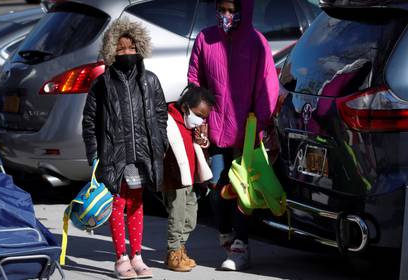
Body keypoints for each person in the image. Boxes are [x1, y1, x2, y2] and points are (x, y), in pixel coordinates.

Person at [187, 0, 279, 271]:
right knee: (215, 186)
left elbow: (267, 85)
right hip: (215, 129)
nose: (226, 16)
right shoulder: (205, 39)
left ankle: (241, 246)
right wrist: (198, 117)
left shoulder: (256, 42)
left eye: (231, 10)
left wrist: (261, 124)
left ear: (243, 10)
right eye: (222, 10)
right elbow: (195, 79)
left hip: (247, 131)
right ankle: (226, 232)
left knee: (242, 191)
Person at [82, 18, 168, 279]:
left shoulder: (150, 80)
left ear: (139, 49)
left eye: (131, 48)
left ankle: (137, 255)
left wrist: (159, 143)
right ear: (111, 52)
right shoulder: (102, 84)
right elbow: (89, 121)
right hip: (114, 156)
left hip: (141, 155)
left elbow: (160, 113)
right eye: (120, 50)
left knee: (137, 203)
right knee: (117, 204)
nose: (126, 53)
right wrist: (95, 155)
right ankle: (120, 257)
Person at [162, 85, 215, 272]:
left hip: (190, 179)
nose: (200, 119)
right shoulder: (168, 121)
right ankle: (173, 252)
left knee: (191, 216)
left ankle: (180, 248)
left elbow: (201, 147)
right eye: (198, 114)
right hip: (174, 180)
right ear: (185, 107)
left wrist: (204, 141)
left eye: (204, 116)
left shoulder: (192, 125)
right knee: (177, 216)